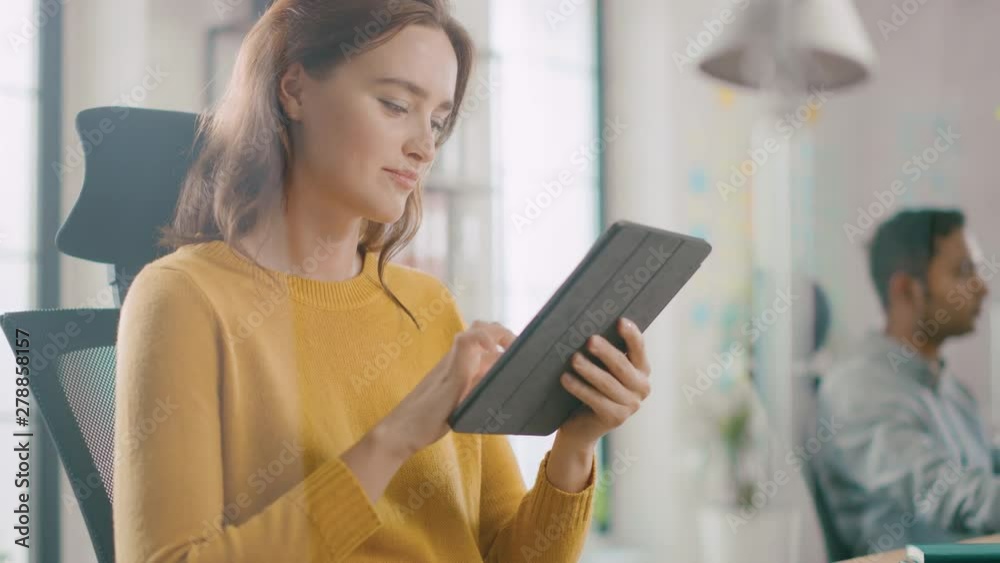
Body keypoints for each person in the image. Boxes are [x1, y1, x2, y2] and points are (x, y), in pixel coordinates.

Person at [111, 1, 654, 561]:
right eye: (396, 105)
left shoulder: (428, 304)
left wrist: (576, 443)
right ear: (294, 89)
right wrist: (393, 440)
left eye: (437, 122)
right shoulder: (184, 299)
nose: (425, 146)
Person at [813, 208, 998, 556]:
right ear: (906, 290)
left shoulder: (950, 389)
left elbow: (984, 465)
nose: (982, 288)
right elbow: (944, 492)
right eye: (963, 272)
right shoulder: (858, 389)